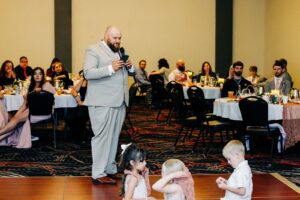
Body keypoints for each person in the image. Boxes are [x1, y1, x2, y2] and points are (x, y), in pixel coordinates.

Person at [83, 25, 135, 184]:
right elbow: (88, 73)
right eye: (115, 38)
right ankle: (98, 174)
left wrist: (130, 67)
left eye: (120, 38)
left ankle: (110, 169)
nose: (118, 41)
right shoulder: (93, 50)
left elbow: (127, 73)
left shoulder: (118, 51)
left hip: (119, 101)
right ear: (106, 36)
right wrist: (110, 68)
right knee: (102, 138)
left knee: (113, 137)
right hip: (102, 102)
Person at [0, 67, 55, 148]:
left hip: (44, 111)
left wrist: (39, 94)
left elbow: (50, 101)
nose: (37, 76)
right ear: (32, 76)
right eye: (35, 74)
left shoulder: (47, 85)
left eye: (40, 74)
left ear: (43, 76)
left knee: (15, 120)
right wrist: (17, 114)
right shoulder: (31, 87)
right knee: (14, 119)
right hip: (31, 111)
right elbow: (25, 104)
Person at [66, 70, 90, 142]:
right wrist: (77, 98)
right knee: (69, 116)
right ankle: (76, 135)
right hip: (82, 105)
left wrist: (85, 102)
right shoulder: (83, 80)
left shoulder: (96, 81)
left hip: (92, 105)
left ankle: (81, 137)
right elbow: (73, 90)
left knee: (80, 115)